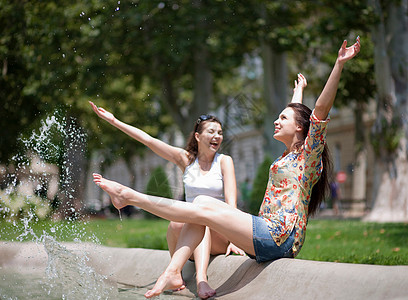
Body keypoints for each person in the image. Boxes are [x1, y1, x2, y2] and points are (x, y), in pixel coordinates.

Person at [92, 37, 360, 299]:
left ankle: (130, 197)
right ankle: (171, 272)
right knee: (202, 208)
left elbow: (319, 111)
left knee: (204, 207)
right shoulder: (286, 157)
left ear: (301, 128)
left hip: (280, 240)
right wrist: (297, 94)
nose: (276, 122)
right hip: (264, 233)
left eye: (283, 118)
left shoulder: (308, 157)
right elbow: (297, 116)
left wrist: (338, 64)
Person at [89, 102, 245, 299]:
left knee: (200, 218)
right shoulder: (186, 159)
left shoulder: (224, 161)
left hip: (221, 232)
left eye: (220, 133)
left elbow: (231, 204)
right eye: (212, 132)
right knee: (175, 223)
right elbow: (148, 140)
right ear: (197, 136)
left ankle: (201, 280)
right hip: (192, 229)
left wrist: (234, 238)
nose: (217, 136)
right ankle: (175, 274)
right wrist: (114, 121)